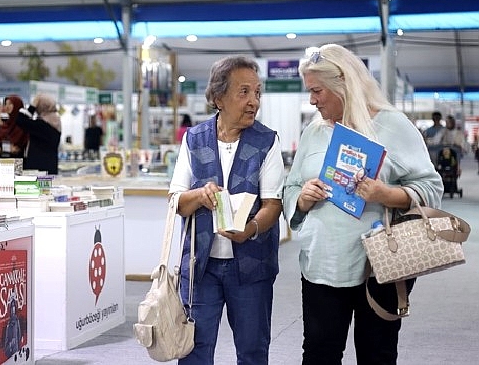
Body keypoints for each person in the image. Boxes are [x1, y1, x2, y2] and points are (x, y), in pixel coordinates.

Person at [283, 44, 443, 365]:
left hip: (380, 265)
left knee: (377, 355)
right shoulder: (314, 131)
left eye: (318, 91)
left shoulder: (393, 126)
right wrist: (302, 197)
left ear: (343, 83)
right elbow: (292, 186)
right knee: (319, 354)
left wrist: (385, 195)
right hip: (321, 266)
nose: (312, 100)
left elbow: (431, 187)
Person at [168, 56, 285, 364]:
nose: (253, 102)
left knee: (252, 351)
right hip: (200, 267)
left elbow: (273, 204)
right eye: (244, 92)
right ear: (218, 97)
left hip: (251, 267)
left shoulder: (267, 141)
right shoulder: (194, 139)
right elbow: (177, 202)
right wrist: (199, 195)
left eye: (257, 93)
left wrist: (250, 229)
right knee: (193, 350)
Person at [15, 93, 62, 174]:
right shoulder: (56, 122)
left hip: (39, 170)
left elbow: (21, 120)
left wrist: (32, 106)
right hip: (50, 168)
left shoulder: (42, 125)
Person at [0, 95, 29, 159]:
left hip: (18, 161)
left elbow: (20, 147)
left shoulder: (23, 125)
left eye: (10, 104)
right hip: (3, 160)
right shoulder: (5, 124)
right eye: (6, 104)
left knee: (17, 169)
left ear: (17, 105)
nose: (7, 106)